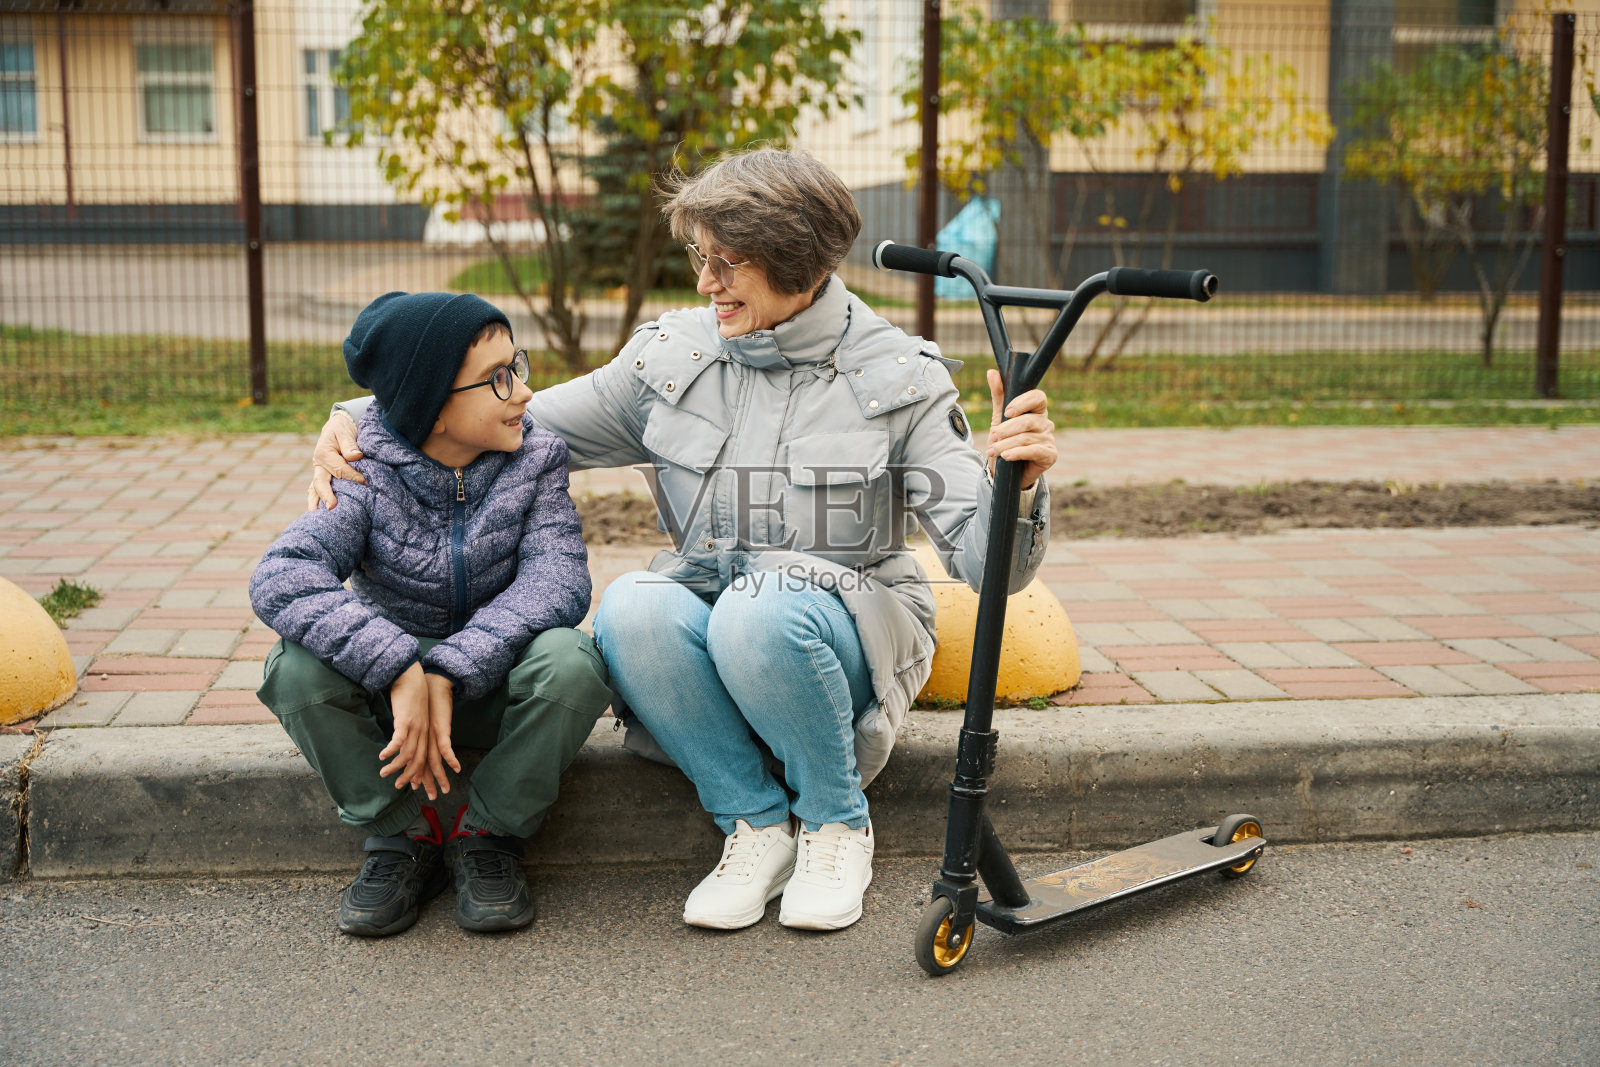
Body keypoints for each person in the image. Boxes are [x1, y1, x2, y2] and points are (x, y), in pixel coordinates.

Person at [308, 148, 1058, 933]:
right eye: (701, 257)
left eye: (727, 263)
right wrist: (359, 416)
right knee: (630, 604)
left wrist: (1022, 481)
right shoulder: (673, 356)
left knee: (758, 608)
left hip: (847, 626)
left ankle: (837, 822)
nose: (705, 283)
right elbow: (517, 418)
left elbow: (988, 567)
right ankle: (755, 826)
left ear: (794, 260)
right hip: (721, 607)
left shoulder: (900, 375)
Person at [251, 290, 611, 937]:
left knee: (572, 661)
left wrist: (448, 667)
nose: (524, 392)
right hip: (397, 705)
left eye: (518, 365)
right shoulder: (365, 470)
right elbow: (283, 576)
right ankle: (401, 836)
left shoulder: (537, 458)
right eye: (499, 378)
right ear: (432, 404)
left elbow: (559, 578)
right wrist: (396, 665)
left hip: (491, 681)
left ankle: (488, 833)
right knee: (295, 668)